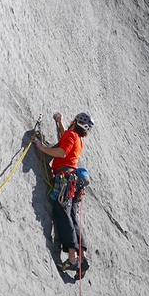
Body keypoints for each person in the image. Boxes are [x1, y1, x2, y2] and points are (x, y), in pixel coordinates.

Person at [35, 112, 94, 278]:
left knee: (62, 214)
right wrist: (59, 124)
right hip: (74, 183)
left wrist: (41, 147)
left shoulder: (71, 134)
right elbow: (65, 140)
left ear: (75, 122)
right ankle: (82, 257)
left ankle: (72, 258)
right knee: (73, 219)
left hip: (64, 180)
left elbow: (61, 152)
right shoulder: (79, 140)